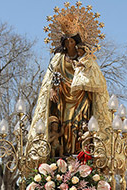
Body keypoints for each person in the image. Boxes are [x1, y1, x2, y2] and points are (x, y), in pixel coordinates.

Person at [27, 3, 111, 158]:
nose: (69, 44)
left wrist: (84, 67)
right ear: (63, 42)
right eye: (66, 41)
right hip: (63, 96)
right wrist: (52, 89)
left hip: (81, 95)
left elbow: (95, 78)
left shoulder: (86, 58)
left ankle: (81, 154)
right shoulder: (58, 58)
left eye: (72, 41)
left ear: (76, 41)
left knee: (81, 124)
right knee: (64, 122)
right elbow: (52, 76)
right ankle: (64, 154)